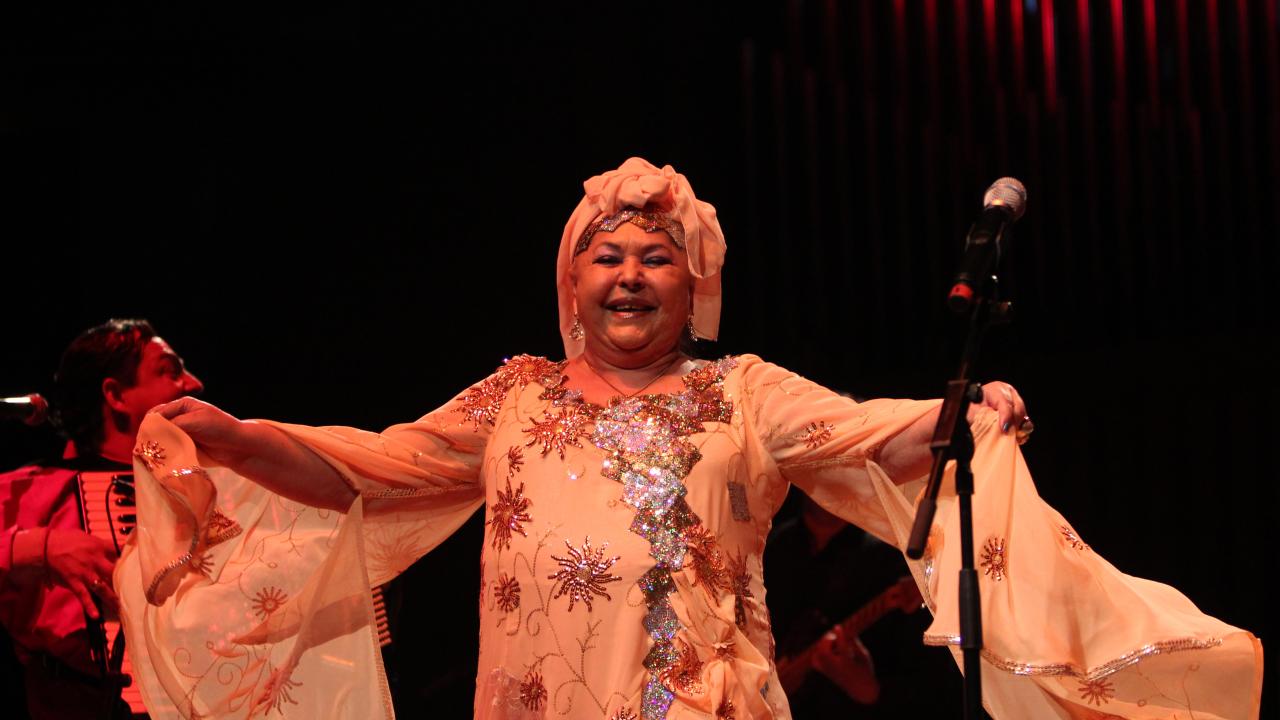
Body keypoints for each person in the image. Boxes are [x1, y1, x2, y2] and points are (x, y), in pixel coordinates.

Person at [120, 158, 1261, 720]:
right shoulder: (511, 396)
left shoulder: (742, 393)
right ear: (571, 282)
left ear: (692, 285)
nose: (630, 274)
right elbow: (359, 467)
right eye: (607, 256)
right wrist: (235, 437)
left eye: (655, 258)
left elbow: (871, 436)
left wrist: (965, 411)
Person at [0, 319, 204, 719]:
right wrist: (37, 547)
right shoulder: (30, 489)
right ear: (116, 396)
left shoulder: (219, 487)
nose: (194, 384)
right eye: (169, 371)